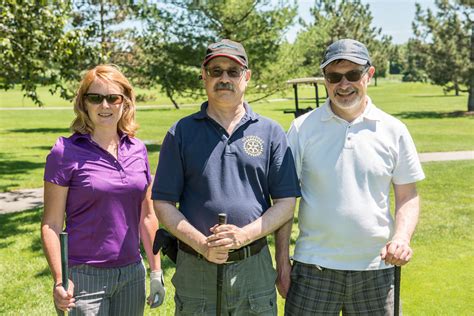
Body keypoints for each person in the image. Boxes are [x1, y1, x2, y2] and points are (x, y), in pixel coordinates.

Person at [152, 39, 300, 315]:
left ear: (247, 76)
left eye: (233, 71)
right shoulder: (180, 133)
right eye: (216, 71)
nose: (224, 78)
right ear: (204, 76)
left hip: (253, 267)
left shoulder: (270, 132)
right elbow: (162, 205)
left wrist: (242, 236)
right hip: (196, 268)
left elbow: (285, 203)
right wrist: (203, 245)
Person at [285, 39, 425, 315]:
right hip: (313, 268)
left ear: (369, 75)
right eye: (334, 77)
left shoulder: (394, 130)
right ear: (325, 80)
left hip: (377, 268)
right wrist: (282, 263)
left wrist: (402, 238)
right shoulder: (302, 128)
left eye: (353, 74)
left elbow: (408, 195)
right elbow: (285, 199)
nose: (344, 84)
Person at [41, 64, 166, 315]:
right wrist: (59, 279)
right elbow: (51, 224)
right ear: (84, 103)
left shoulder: (138, 150)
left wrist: (156, 271)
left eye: (113, 98)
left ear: (125, 102)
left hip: (132, 273)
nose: (105, 106)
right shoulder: (64, 152)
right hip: (84, 277)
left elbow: (147, 216)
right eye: (95, 98)